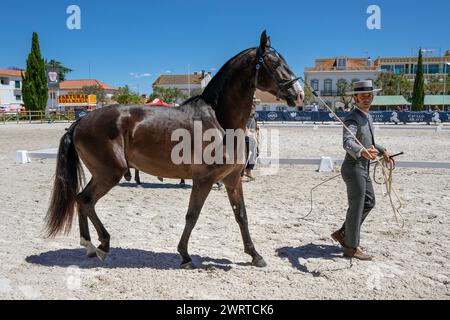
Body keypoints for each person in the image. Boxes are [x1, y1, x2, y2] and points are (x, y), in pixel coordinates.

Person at [331, 80, 393, 261]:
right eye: (363, 96)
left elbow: (369, 143)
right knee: (357, 207)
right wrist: (361, 151)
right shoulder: (352, 118)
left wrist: (383, 151)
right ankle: (351, 247)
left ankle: (344, 233)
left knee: (369, 202)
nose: (367, 99)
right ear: (355, 98)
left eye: (369, 95)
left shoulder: (368, 116)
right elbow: (347, 142)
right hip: (353, 168)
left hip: (363, 167)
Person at [242, 97, 259, 182]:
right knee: (245, 153)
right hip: (244, 133)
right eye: (253, 100)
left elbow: (252, 119)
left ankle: (248, 171)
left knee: (255, 152)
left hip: (252, 132)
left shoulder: (252, 107)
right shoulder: (243, 107)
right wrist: (246, 130)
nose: (255, 103)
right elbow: (240, 120)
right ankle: (240, 174)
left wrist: (256, 127)